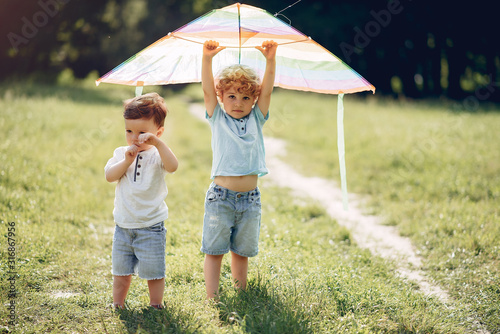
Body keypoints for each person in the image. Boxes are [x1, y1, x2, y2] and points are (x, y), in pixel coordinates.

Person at [201, 39, 277, 299]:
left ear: (253, 99)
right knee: (214, 250)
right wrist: (207, 58)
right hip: (221, 198)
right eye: (231, 96)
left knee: (241, 251)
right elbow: (207, 91)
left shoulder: (257, 117)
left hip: (250, 200)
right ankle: (212, 297)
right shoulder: (217, 118)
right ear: (222, 97)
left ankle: (240, 292)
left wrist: (270, 60)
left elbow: (266, 92)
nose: (238, 102)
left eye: (245, 97)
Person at [104, 92, 178, 309]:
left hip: (151, 226)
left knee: (154, 272)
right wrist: (126, 161)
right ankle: (118, 303)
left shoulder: (157, 155)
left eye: (142, 132)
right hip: (124, 226)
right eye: (129, 131)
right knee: (120, 271)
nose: (134, 138)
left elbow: (173, 166)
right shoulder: (121, 153)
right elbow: (110, 176)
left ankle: (156, 304)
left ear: (158, 132)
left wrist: (158, 144)